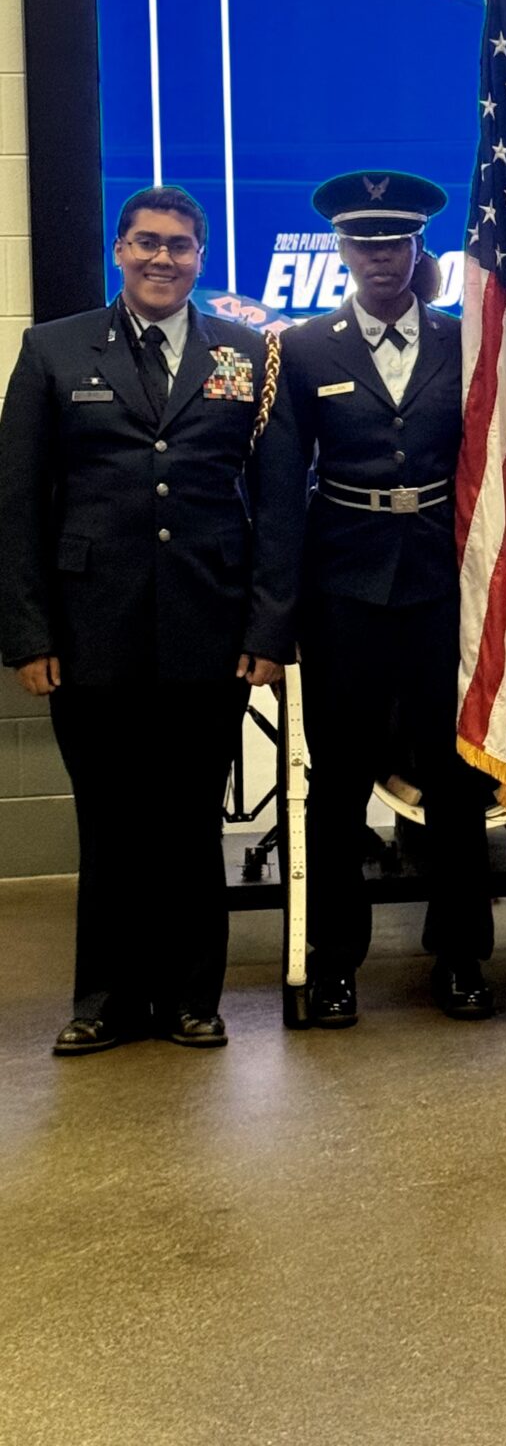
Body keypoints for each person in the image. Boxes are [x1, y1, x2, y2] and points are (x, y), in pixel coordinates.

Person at [0, 185, 282, 1054]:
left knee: (192, 820)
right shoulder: (52, 349)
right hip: (92, 630)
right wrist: (29, 635)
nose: (164, 258)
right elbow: (17, 501)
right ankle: (105, 1001)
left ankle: (193, 998)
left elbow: (276, 503)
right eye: (148, 242)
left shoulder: (248, 353)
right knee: (111, 820)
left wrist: (267, 631)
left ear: (200, 257)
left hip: (210, 625)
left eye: (180, 245)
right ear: (120, 249)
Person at [252, 171, 494, 1027]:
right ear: (343, 250)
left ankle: (462, 955)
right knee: (339, 784)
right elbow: (281, 493)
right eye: (364, 242)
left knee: (456, 781)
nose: (381, 256)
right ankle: (334, 963)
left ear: (417, 247)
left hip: (443, 586)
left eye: (395, 241)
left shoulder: (465, 341)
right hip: (343, 590)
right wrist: (276, 620)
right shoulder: (302, 349)